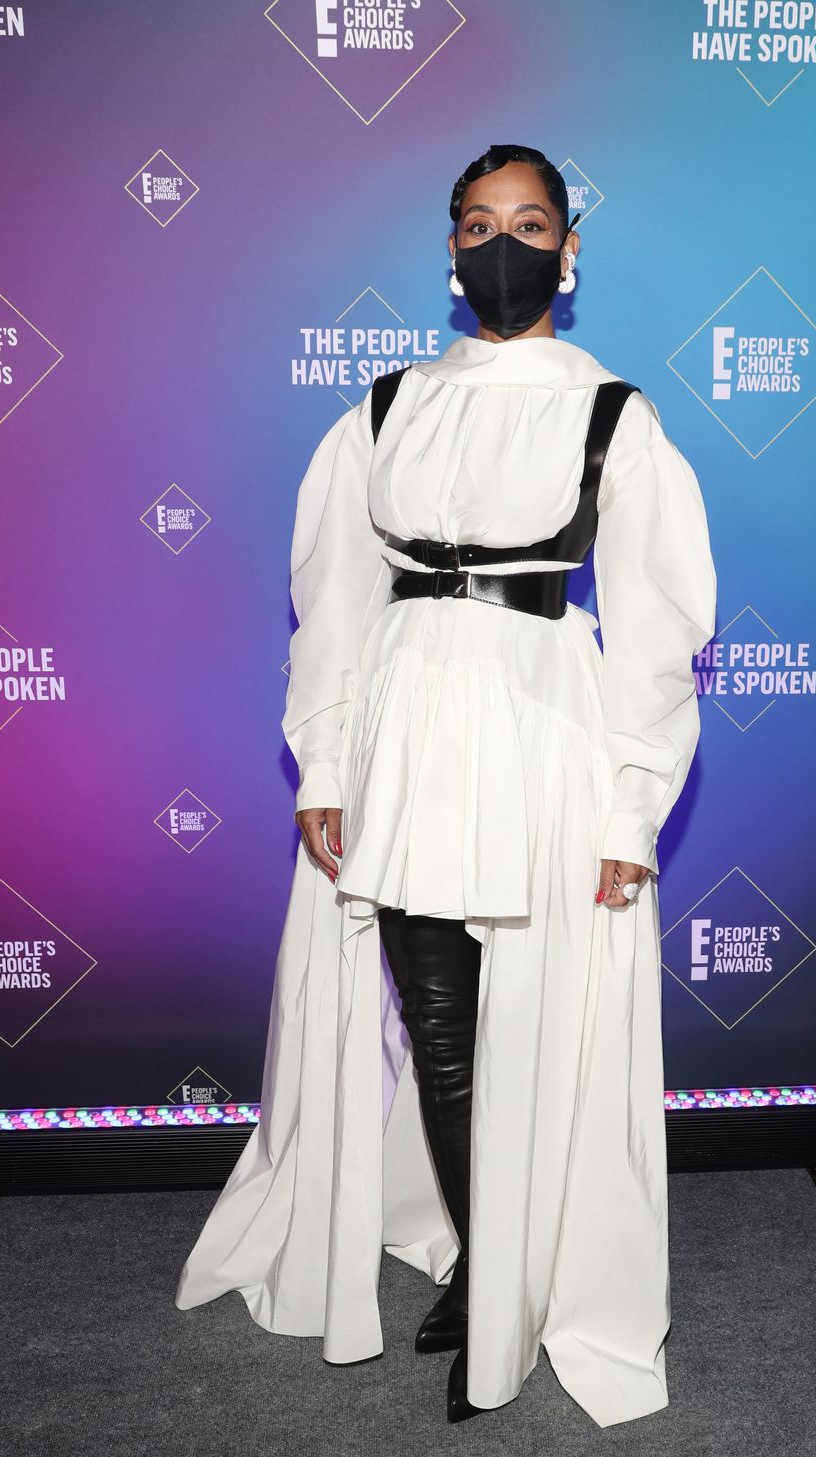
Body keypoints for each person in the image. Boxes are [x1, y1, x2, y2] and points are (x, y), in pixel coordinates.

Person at [174, 143, 717, 1430]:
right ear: (450, 251)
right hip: (405, 728)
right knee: (435, 1017)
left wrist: (630, 805)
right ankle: (483, 1261)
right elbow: (331, 604)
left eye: (528, 224)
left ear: (568, 251)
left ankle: (516, 1274)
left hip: (543, 731)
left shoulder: (611, 415)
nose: (501, 247)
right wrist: (323, 759)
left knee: (527, 1012)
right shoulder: (383, 409)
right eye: (477, 225)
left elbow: (656, 631)